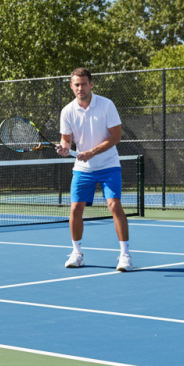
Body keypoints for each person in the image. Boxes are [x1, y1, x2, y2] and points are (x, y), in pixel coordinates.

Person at [56, 67, 132, 272]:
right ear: (71, 86)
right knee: (75, 209)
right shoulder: (67, 111)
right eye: (76, 84)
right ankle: (76, 253)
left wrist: (92, 152)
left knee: (114, 206)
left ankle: (125, 256)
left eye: (84, 84)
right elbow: (66, 140)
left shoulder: (107, 105)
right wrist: (64, 149)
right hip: (83, 169)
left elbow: (116, 136)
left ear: (91, 85)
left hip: (109, 166)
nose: (80, 88)